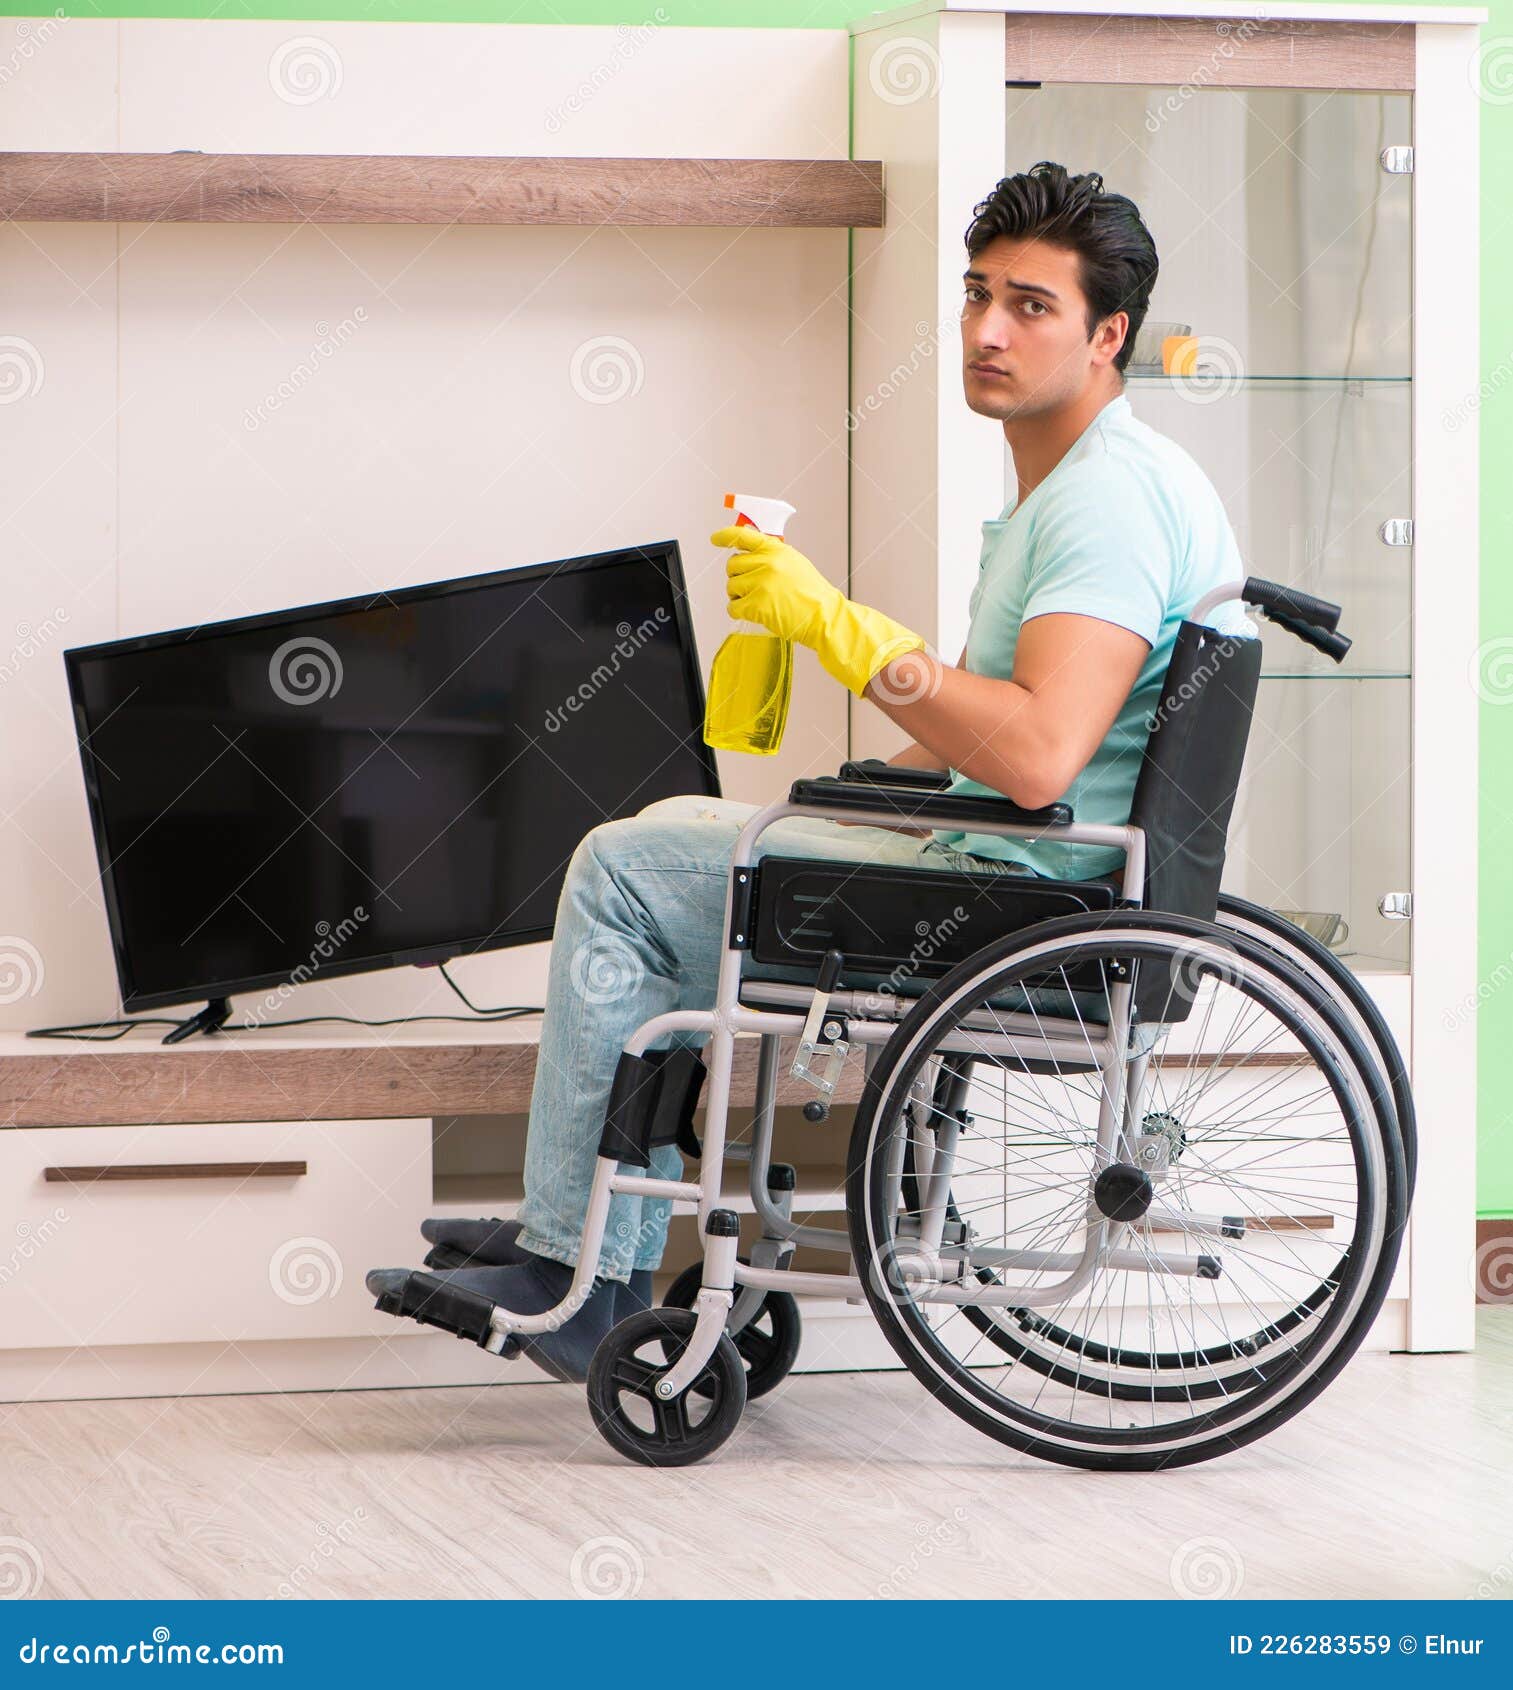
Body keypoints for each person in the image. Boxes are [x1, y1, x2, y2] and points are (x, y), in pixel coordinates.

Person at [366, 160, 1252, 1381]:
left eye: (1031, 306)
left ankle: (586, 1265)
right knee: (694, 828)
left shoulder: (1103, 504)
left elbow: (1041, 753)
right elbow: (1017, 738)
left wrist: (843, 627)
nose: (987, 331)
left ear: (1108, 335)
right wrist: (841, 780)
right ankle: (583, 1244)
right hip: (1020, 865)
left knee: (624, 867)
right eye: (977, 293)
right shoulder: (1083, 485)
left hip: (1028, 895)